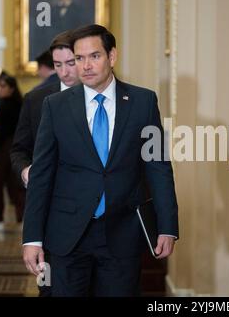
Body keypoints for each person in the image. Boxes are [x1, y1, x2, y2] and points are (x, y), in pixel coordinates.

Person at [22, 24, 179, 297]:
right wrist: (32, 238)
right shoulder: (55, 106)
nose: (85, 66)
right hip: (67, 236)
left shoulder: (143, 102)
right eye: (79, 58)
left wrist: (167, 227)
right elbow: (42, 176)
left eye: (94, 56)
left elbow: (158, 168)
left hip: (122, 234)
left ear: (112, 57)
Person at [11, 30, 79, 297]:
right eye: (58, 65)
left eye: (70, 63)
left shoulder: (103, 97)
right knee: (50, 288)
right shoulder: (36, 99)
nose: (64, 73)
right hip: (51, 213)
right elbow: (18, 150)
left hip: (97, 217)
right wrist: (26, 170)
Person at [0, 74, 24, 231]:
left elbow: (0, 131)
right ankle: (17, 219)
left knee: (2, 184)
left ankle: (2, 219)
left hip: (5, 148)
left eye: (3, 86)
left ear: (11, 89)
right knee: (13, 186)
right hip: (8, 147)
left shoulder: (12, 105)